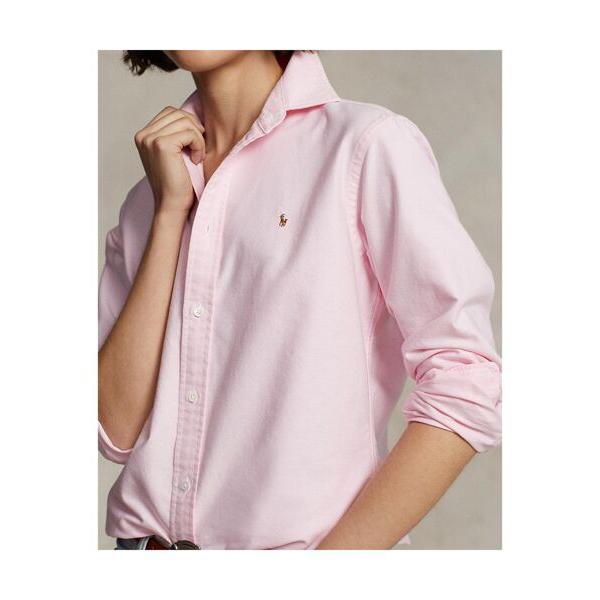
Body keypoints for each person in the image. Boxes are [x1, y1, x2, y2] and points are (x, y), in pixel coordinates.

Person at [98, 50, 501, 550]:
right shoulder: (148, 198)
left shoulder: (365, 147)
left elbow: (465, 379)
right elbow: (113, 431)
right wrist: (167, 213)